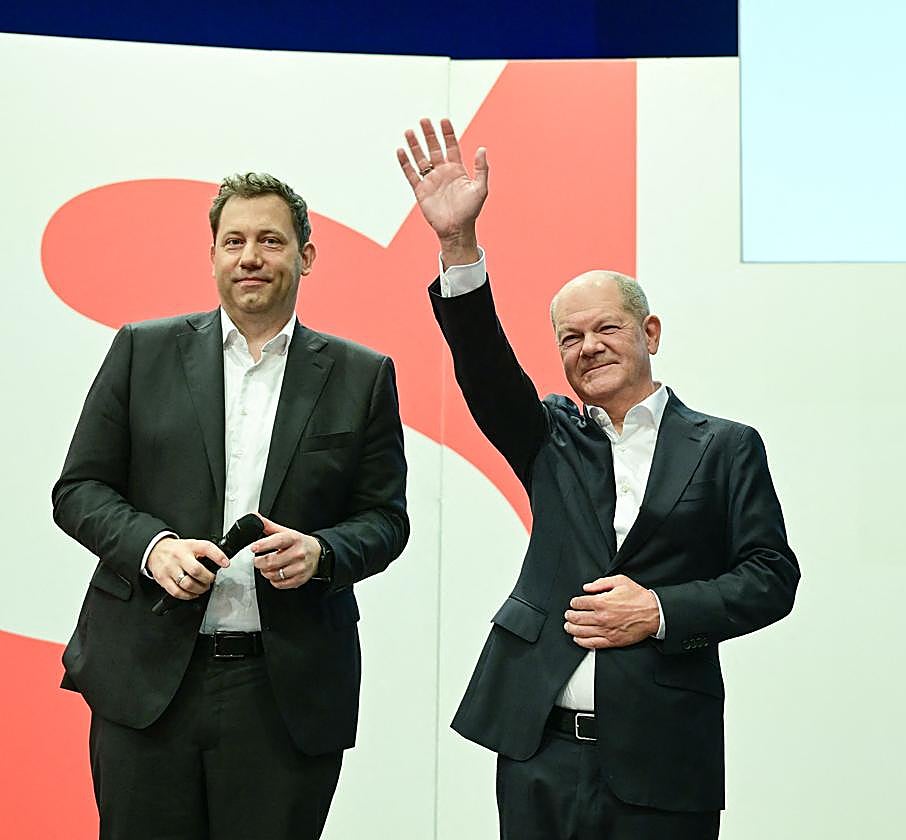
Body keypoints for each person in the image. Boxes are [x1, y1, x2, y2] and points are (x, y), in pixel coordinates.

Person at [396, 118, 799, 839]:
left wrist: (661, 609)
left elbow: (771, 577)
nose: (588, 348)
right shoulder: (549, 437)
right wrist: (457, 244)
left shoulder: (727, 447)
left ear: (649, 334)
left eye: (606, 329)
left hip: (665, 754)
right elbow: (486, 367)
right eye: (570, 338)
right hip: (539, 753)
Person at [52, 172, 410, 839]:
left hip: (284, 693)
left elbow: (386, 519)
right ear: (213, 254)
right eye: (234, 240)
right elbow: (79, 491)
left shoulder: (362, 376)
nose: (251, 257)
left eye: (271, 240)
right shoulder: (141, 351)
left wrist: (323, 552)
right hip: (148, 682)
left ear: (305, 255)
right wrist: (154, 549)